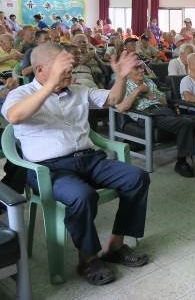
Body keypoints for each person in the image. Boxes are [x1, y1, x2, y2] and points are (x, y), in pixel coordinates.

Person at [2, 43, 149, 285]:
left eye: (70, 69)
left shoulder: (79, 90)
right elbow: (15, 116)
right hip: (49, 169)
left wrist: (121, 77)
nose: (71, 74)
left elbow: (113, 99)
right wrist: (49, 87)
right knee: (82, 196)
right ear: (40, 70)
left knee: (137, 178)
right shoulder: (21, 94)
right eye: (64, 69)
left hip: (89, 159)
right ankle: (88, 258)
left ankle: (115, 245)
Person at [117, 56, 195, 178]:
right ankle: (181, 162)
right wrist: (138, 90)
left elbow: (164, 101)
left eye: (141, 68)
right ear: (128, 72)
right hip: (148, 116)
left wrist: (150, 93)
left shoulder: (149, 81)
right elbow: (122, 108)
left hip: (164, 111)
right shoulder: (124, 85)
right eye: (136, 68)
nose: (141, 71)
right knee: (185, 123)